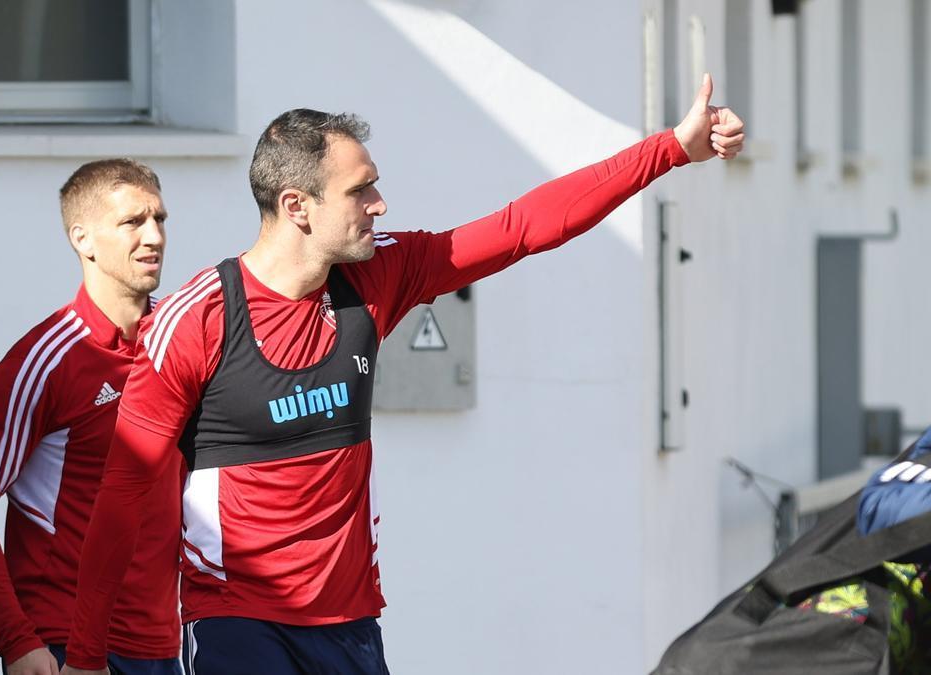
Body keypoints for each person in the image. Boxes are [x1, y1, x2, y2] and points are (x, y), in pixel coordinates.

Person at [62, 75, 744, 675]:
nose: (380, 203)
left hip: (351, 623)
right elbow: (121, 494)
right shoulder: (197, 319)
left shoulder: (378, 274)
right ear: (297, 205)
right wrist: (88, 656)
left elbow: (524, 227)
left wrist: (671, 150)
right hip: (236, 622)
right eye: (361, 190)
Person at [0, 159, 182, 675]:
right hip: (65, 647)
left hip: (164, 645)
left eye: (160, 219)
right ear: (83, 239)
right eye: (132, 222)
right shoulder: (46, 359)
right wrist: (16, 641)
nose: (154, 236)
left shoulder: (178, 341)